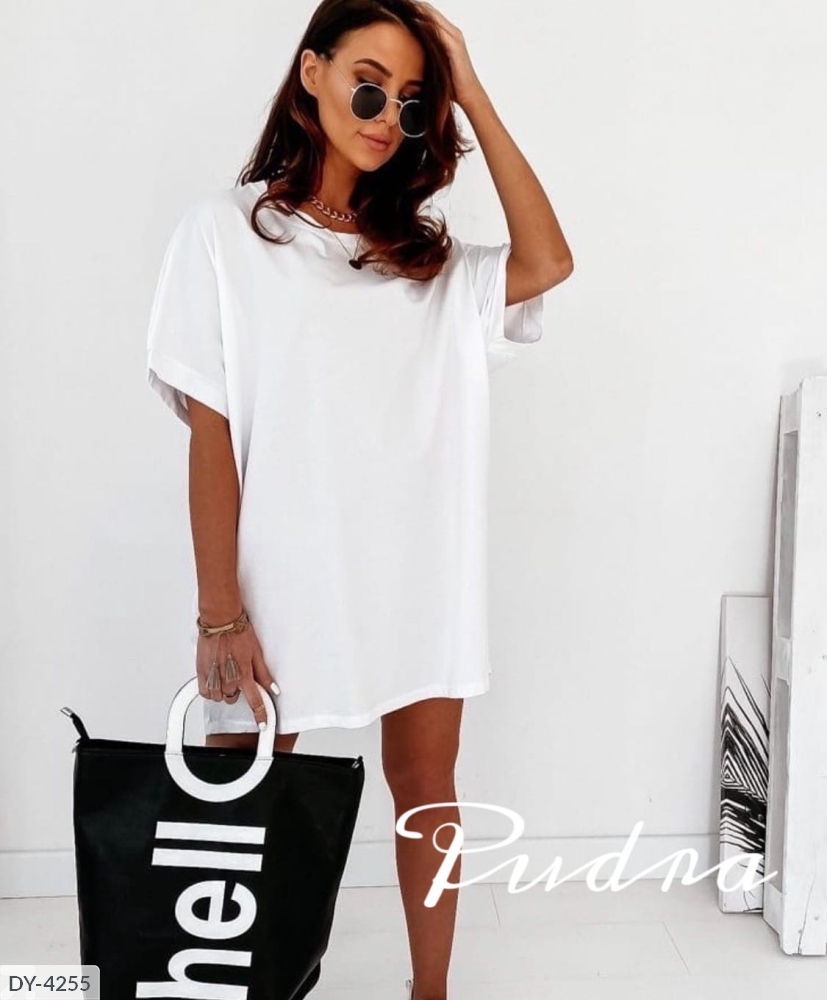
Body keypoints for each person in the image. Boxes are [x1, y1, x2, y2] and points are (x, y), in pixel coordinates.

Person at [145, 1, 572, 997]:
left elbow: (548, 261)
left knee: (425, 788)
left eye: (413, 102)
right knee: (240, 789)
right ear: (312, 73)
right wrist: (218, 610)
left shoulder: (427, 265)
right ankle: (231, 982)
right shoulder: (223, 233)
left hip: (417, 570)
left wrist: (471, 91)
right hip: (275, 577)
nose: (387, 117)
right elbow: (211, 435)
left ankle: (431, 992)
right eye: (368, 85)